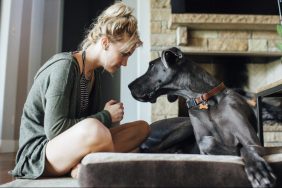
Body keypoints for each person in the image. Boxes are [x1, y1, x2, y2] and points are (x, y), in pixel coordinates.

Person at [10, 2, 150, 179]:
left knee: (142, 128)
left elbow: (85, 128)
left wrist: (106, 118)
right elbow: (55, 129)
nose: (125, 63)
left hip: (69, 149)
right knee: (96, 130)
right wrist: (106, 116)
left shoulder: (94, 75)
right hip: (40, 154)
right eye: (124, 54)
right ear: (105, 43)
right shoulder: (65, 67)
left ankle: (86, 166)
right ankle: (99, 167)